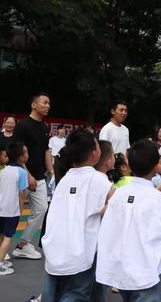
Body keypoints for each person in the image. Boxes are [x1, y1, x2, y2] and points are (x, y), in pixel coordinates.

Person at [96, 139, 161, 301]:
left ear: (129, 164)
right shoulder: (156, 197)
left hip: (122, 270)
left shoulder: (119, 193)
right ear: (155, 167)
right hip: (147, 271)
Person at [41, 130, 112, 301]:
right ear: (94, 153)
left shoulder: (65, 179)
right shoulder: (97, 178)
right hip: (81, 251)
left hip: (56, 249)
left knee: (55, 294)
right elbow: (117, 202)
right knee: (76, 294)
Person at [12, 92, 52, 260]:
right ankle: (2, 245)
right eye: (44, 102)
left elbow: (46, 152)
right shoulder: (23, 126)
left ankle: (23, 244)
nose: (47, 105)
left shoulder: (44, 127)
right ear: (33, 105)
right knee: (12, 212)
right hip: (21, 176)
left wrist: (52, 172)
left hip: (40, 177)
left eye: (49, 103)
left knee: (42, 209)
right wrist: (27, 176)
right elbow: (17, 153)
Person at [0, 141, 28, 275]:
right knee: (8, 237)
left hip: (1, 207)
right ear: (21, 157)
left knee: (1, 235)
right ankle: (0, 264)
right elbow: (22, 194)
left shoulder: (4, 170)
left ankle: (1, 260)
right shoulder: (21, 172)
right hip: (11, 210)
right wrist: (21, 211)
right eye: (26, 152)